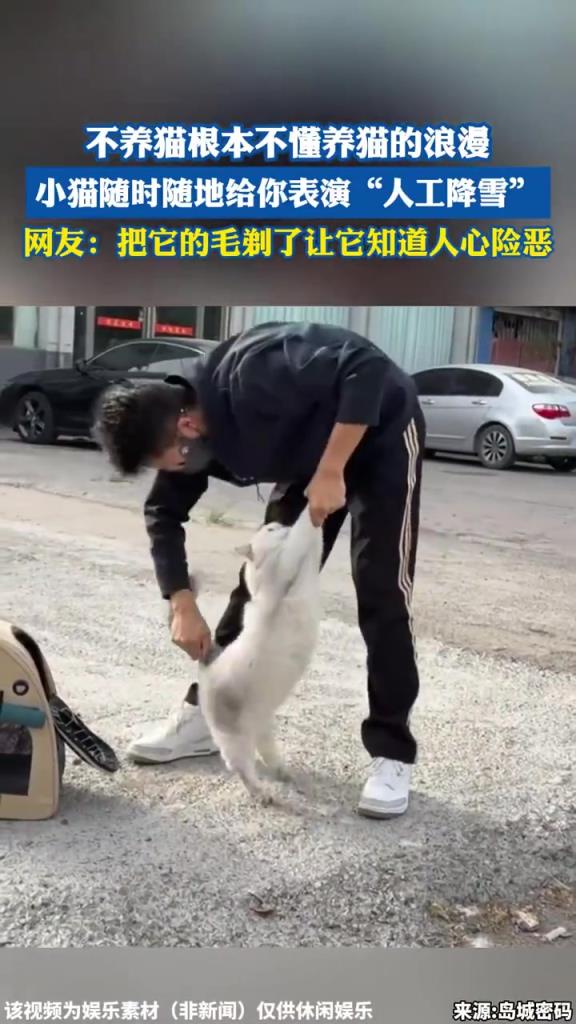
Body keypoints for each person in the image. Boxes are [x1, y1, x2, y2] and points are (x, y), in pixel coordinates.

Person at [96, 321, 425, 818]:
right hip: (309, 455)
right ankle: (209, 715)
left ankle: (392, 751)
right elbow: (163, 512)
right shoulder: (184, 431)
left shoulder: (253, 372)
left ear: (185, 429)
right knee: (260, 584)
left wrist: (332, 469)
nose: (175, 471)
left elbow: (367, 367)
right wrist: (180, 600)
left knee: (382, 589)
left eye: (169, 463)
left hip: (381, 432)